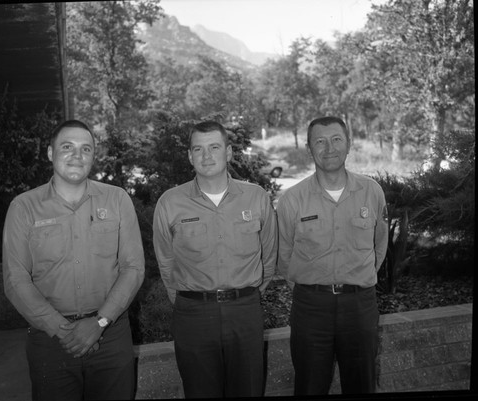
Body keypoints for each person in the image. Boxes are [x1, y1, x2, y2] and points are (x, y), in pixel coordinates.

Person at [2, 119, 145, 401]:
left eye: (86, 149)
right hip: (50, 342)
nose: (77, 155)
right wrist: (61, 329)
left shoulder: (117, 200)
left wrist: (100, 322)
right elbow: (15, 279)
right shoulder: (23, 207)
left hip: (111, 336)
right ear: (50, 153)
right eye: (67, 147)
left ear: (93, 156)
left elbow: (134, 268)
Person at [153, 120, 278, 398]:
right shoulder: (170, 202)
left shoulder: (256, 197)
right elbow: (165, 260)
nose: (206, 156)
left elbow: (269, 255)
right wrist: (188, 301)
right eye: (198, 149)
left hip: (244, 311)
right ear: (189, 156)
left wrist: (249, 294)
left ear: (229, 152)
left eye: (214, 147)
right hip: (193, 315)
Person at [276, 116, 389, 395]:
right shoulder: (292, 199)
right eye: (320, 141)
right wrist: (311, 287)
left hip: (359, 306)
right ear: (309, 148)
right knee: (310, 385)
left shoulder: (371, 192)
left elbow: (380, 245)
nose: (329, 148)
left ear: (348, 144)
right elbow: (284, 254)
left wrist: (357, 278)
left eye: (336, 139)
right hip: (310, 307)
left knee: (362, 384)